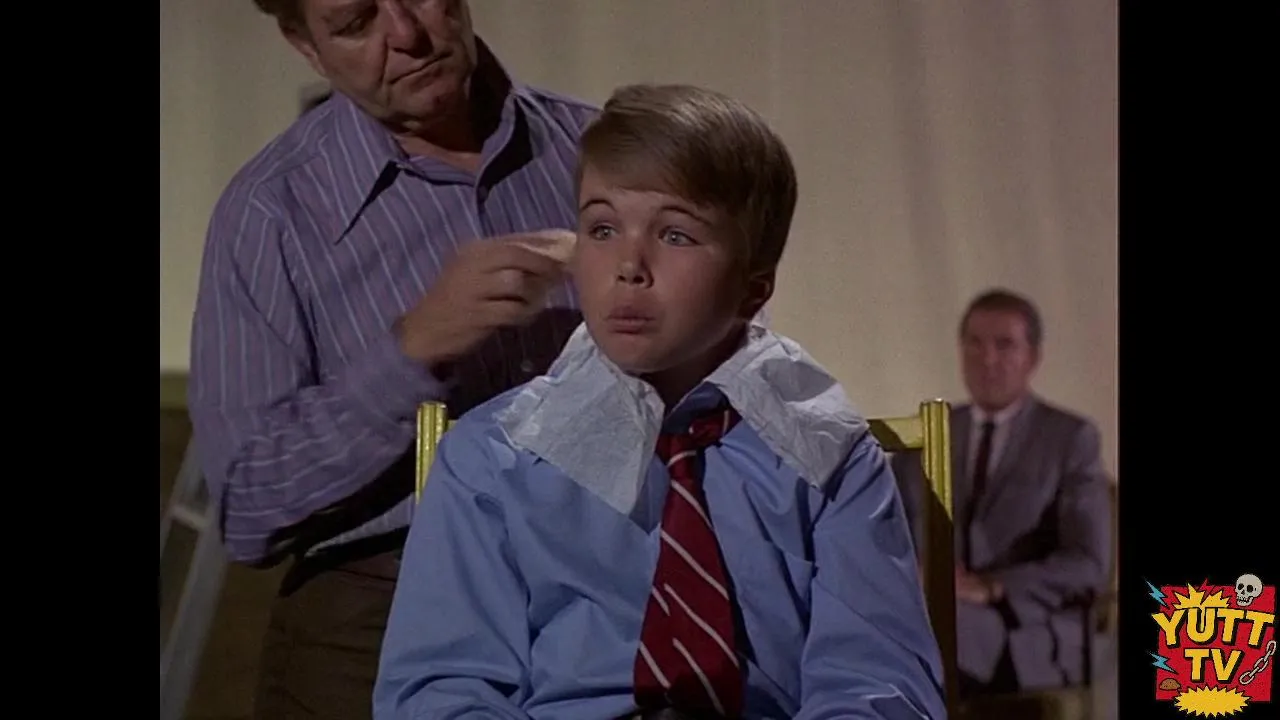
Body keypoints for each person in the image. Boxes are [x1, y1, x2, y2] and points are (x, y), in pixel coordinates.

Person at [374, 83, 946, 720]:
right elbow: (444, 693)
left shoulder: (826, 453)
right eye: (602, 228)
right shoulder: (495, 458)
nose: (629, 265)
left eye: (675, 235)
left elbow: (876, 684)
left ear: (754, 288)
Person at [186, 1, 598, 717]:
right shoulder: (270, 213)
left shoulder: (601, 151)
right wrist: (410, 353)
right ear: (304, 44)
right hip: (380, 614)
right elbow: (249, 508)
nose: (406, 35)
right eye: (356, 22)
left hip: (604, 588)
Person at [893, 289, 1112, 697]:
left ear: (1033, 357)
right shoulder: (926, 436)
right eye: (974, 344)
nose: (987, 359)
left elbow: (1087, 564)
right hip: (922, 608)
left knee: (936, 627)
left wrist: (990, 586)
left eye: (1004, 345)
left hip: (1022, 624)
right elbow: (884, 536)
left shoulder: (1069, 438)